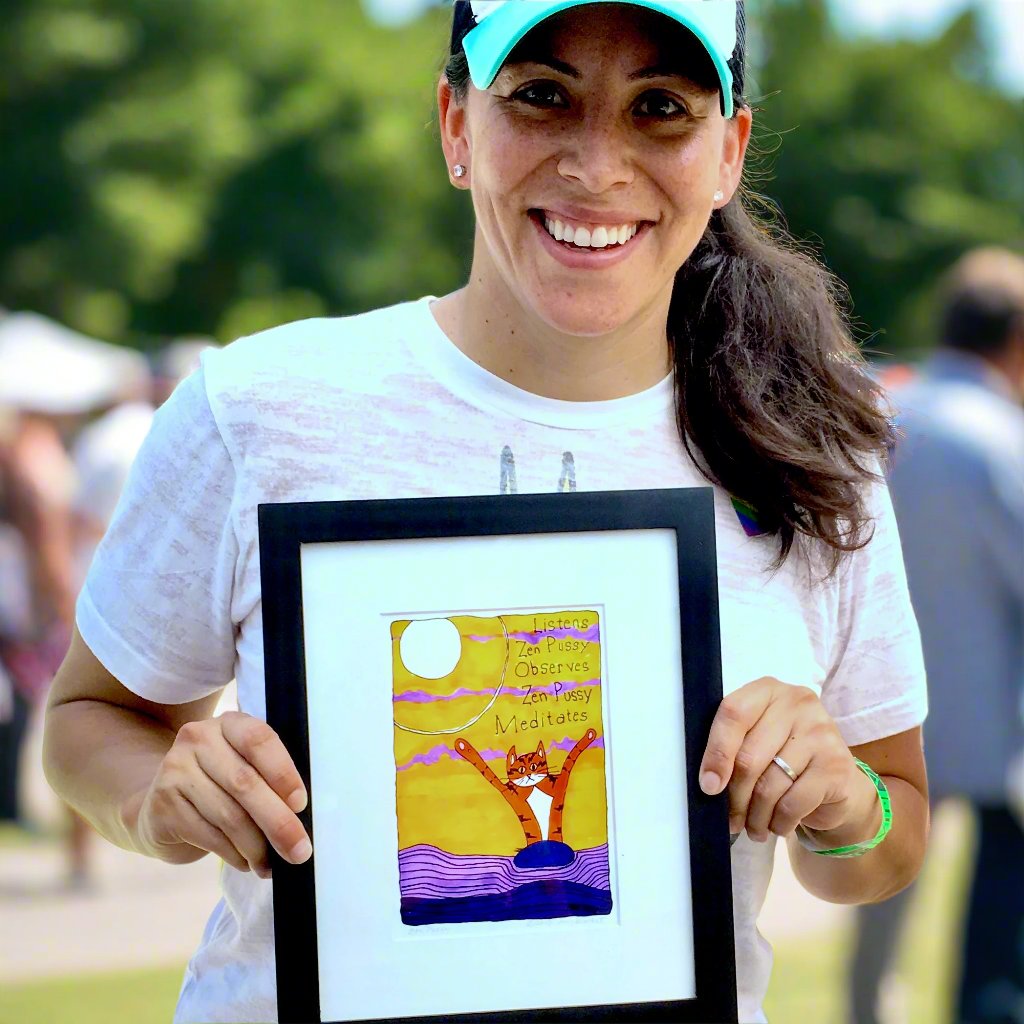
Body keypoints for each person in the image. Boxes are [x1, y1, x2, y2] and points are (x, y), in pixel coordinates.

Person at [42, 3, 930, 1021]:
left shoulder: (814, 450)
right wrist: (154, 799)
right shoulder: (259, 408)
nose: (598, 166)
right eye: (542, 96)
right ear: (457, 124)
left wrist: (840, 804)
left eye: (660, 109)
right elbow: (87, 718)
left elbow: (890, 829)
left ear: (726, 154)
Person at [848, 248, 1024, 1024]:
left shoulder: (874, 419)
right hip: (992, 734)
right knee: (992, 941)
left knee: (877, 900)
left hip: (873, 714)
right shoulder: (1000, 440)